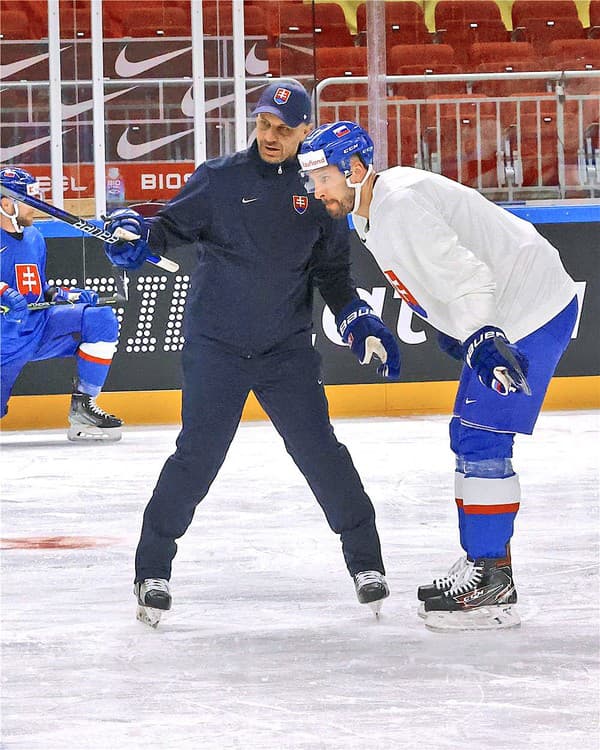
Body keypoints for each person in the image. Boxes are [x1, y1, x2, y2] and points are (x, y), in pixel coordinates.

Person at [102, 81, 401, 627]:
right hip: (215, 346)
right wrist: (132, 235)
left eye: (283, 129)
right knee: (197, 457)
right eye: (264, 124)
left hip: (285, 350)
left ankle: (367, 565)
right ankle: (152, 572)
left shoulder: (319, 187)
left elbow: (332, 274)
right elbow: (165, 231)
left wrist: (357, 321)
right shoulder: (220, 179)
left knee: (321, 453)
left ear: (306, 130)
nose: (270, 135)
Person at [298, 121, 578, 632]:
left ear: (356, 169)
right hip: (509, 310)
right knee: (467, 437)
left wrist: (482, 334)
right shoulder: (374, 210)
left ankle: (493, 580)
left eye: (323, 178)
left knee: (481, 437)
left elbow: (467, 275)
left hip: (527, 313)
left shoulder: (398, 204)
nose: (316, 190)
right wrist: (455, 332)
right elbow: (435, 277)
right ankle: (484, 564)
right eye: (310, 179)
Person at [0, 167, 123, 441]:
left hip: (38, 327)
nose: (36, 207)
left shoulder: (35, 237)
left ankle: (83, 409)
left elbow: (37, 288)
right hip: (3, 342)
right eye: (30, 200)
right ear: (6, 203)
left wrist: (63, 294)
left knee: (99, 318)